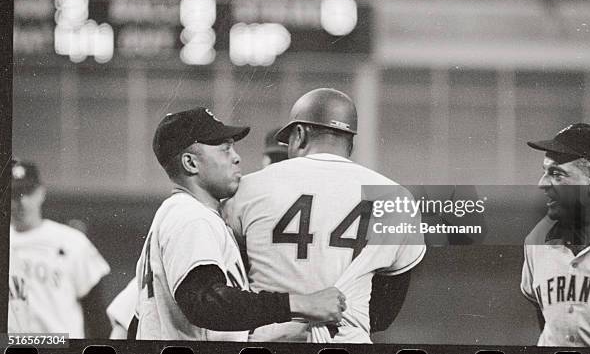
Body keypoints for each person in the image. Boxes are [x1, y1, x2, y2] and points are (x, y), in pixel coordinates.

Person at [224, 88, 426, 343]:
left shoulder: (247, 187)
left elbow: (232, 286)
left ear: (299, 134)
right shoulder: (395, 197)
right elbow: (384, 314)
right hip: (348, 342)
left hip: (271, 341)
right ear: (350, 142)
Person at [133, 106, 346, 341]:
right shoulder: (192, 217)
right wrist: (300, 303)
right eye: (225, 149)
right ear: (190, 163)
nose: (236, 157)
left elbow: (138, 320)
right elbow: (205, 302)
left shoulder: (177, 214)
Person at [9, 159, 111, 338]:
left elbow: (96, 313)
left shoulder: (71, 241)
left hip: (61, 346)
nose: (22, 202)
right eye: (15, 194)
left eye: (28, 192)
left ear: (41, 192)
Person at [521, 123, 590, 347]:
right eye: (544, 172)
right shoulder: (536, 240)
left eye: (556, 174)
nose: (542, 183)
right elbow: (545, 318)